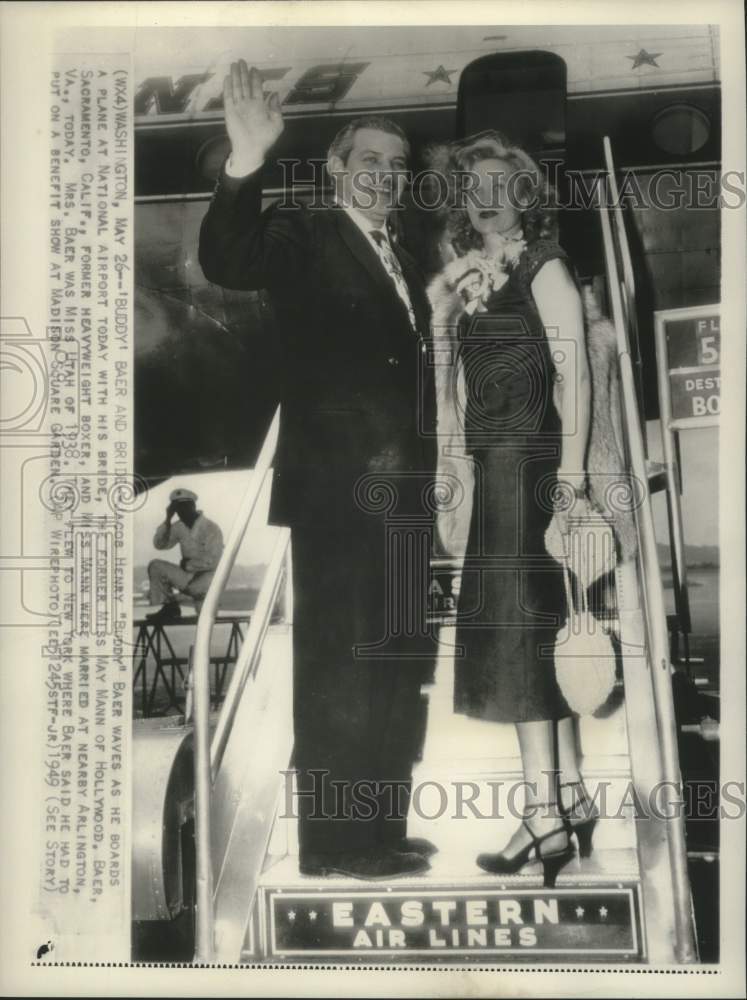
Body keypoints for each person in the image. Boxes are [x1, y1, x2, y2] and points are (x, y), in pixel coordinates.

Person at [198, 61, 437, 880]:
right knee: (341, 666)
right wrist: (245, 160)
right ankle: (333, 845)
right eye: (367, 160)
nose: (383, 175)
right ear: (336, 167)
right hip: (338, 493)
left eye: (397, 167)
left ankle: (379, 829)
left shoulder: (400, 251)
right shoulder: (304, 233)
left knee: (396, 659)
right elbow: (228, 257)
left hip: (402, 493)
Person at [427, 131, 599, 887]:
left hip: (533, 466)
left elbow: (577, 375)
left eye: (499, 184)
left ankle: (542, 816)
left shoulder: (544, 264)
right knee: (537, 632)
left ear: (525, 193)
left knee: (525, 637)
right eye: (472, 189)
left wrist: (569, 476)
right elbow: (456, 387)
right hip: (494, 470)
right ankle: (567, 799)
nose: (484, 199)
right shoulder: (470, 277)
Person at [147, 488, 224, 622]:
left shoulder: (211, 527)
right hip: (187, 578)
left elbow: (214, 561)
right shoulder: (179, 527)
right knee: (155, 566)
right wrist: (167, 519)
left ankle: (203, 606)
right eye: (178, 509)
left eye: (185, 507)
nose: (182, 512)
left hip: (207, 582)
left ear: (193, 505)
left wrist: (188, 564)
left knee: (207, 623)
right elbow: (160, 544)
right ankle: (170, 607)